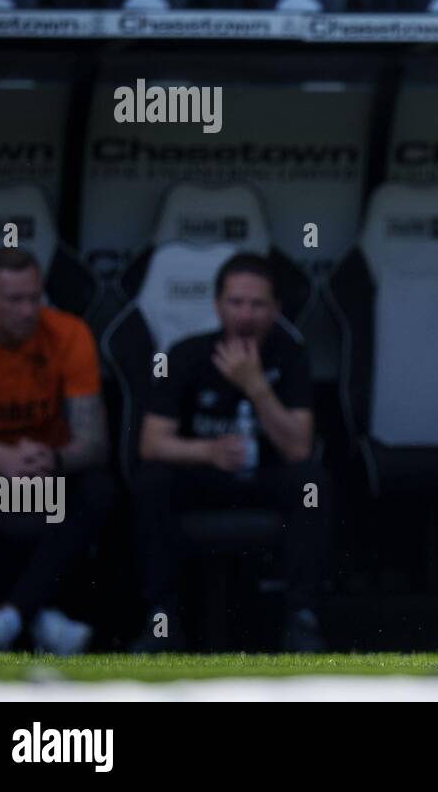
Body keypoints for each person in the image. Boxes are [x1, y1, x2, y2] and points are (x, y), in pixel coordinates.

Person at [129, 252, 329, 652]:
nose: (246, 315)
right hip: (204, 475)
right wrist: (206, 451)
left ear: (275, 309)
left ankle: (302, 619)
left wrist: (255, 386)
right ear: (218, 305)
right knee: (151, 481)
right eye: (236, 302)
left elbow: (298, 447)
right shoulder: (185, 355)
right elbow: (151, 443)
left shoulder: (290, 354)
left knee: (311, 483)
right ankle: (162, 620)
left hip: (265, 477)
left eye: (258, 304)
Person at [0, 248, 114, 654]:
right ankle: (41, 619)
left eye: (35, 297)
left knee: (100, 489)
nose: (28, 310)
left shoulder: (68, 333)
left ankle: (8, 619)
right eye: (15, 300)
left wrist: (55, 458)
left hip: (46, 476)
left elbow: (95, 441)